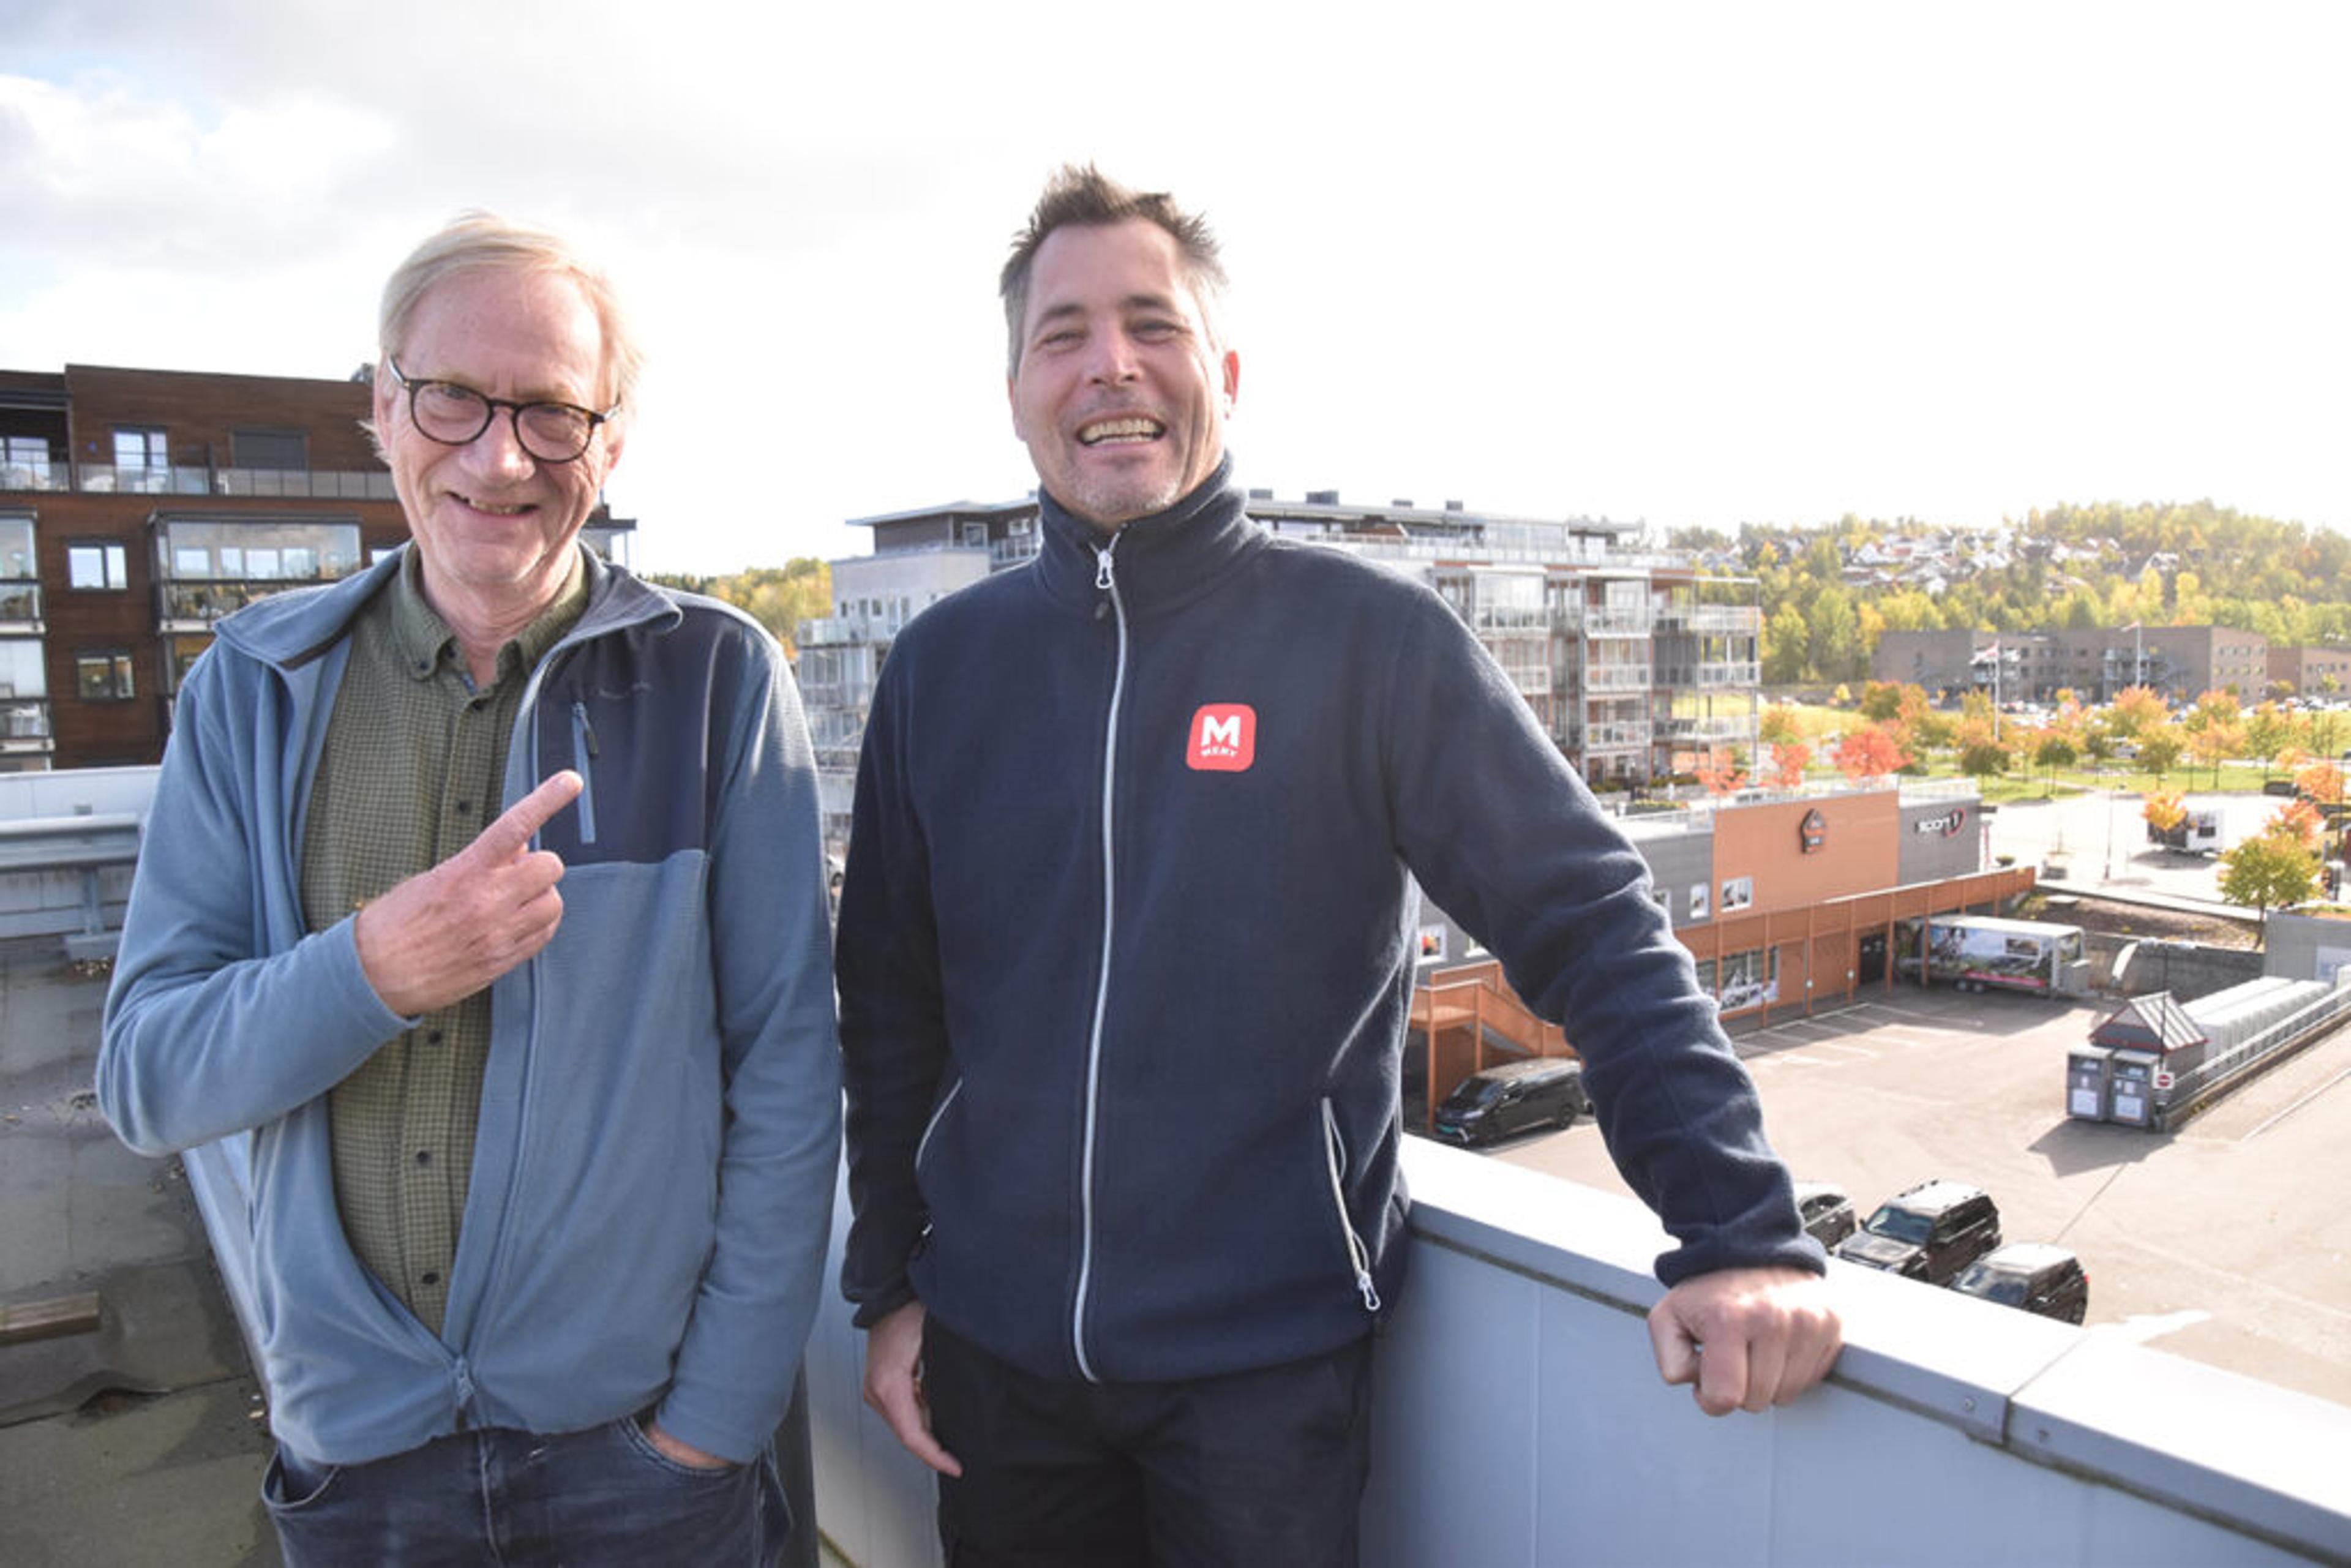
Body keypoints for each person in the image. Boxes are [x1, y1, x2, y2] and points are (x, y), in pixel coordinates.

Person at [835, 165, 1843, 1566]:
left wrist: (1738, 1229)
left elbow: (1589, 923)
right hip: (998, 1370)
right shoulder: (944, 669)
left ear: (1226, 375)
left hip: (1264, 1376)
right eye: (1063, 334)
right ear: (1017, 391)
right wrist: (891, 1285)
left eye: (1153, 324)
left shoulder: (1370, 642)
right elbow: (892, 1009)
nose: (1110, 363)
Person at [97, 212, 840, 1566]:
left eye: (553, 412)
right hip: (360, 1463)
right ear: (383, 407)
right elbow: (148, 1080)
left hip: (649, 1463)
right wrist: (373, 969)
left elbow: (788, 1075)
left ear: (611, 440)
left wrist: (712, 1425)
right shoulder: (255, 690)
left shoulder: (719, 683)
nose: (500, 457)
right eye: (451, 397)